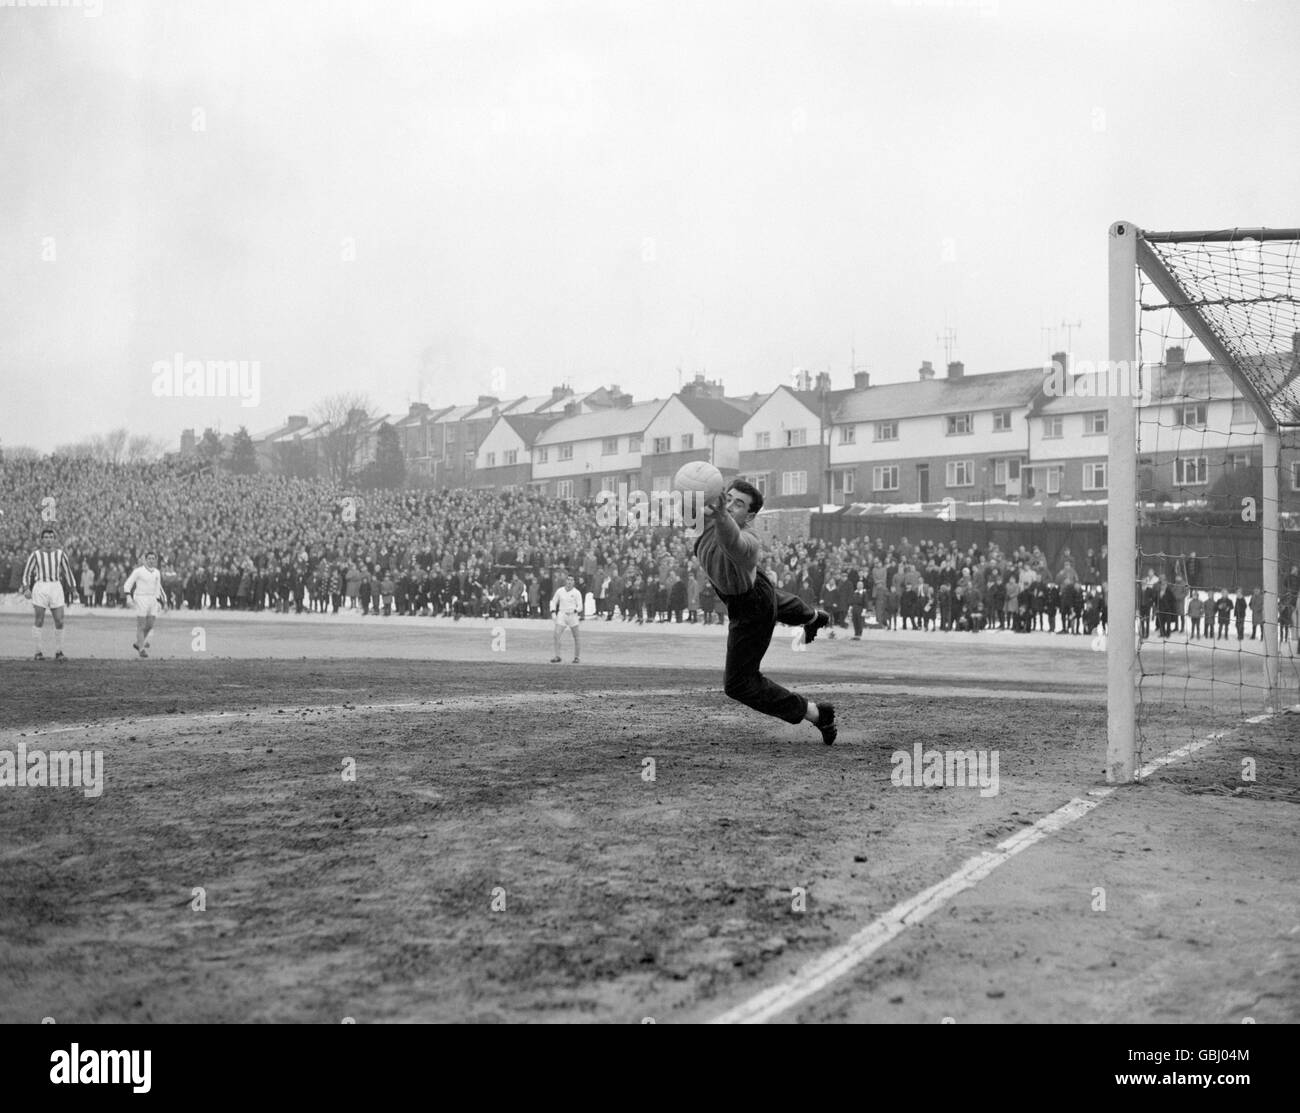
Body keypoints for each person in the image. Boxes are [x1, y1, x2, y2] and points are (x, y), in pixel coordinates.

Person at [694, 481, 838, 744]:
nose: (729, 505)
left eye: (738, 504)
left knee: (739, 684)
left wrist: (721, 514)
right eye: (729, 498)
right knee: (773, 598)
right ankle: (813, 617)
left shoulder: (748, 540)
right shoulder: (707, 517)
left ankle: (817, 713)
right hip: (751, 590)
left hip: (750, 606)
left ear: (749, 516)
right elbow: (684, 511)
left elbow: (732, 542)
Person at [22, 527, 77, 661]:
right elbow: (27, 573)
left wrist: (73, 589)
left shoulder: (60, 554)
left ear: (54, 539)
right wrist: (26, 588)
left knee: (59, 620)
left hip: (56, 587)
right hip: (40, 587)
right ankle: (38, 652)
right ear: (41, 540)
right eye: (46, 537)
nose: (48, 540)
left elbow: (67, 572)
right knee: (39, 620)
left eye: (51, 537)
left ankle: (59, 652)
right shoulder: (35, 555)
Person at [123, 549, 166, 658]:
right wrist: (128, 596)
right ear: (145, 560)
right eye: (149, 559)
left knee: (150, 625)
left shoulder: (157, 572)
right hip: (141, 598)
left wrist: (160, 602)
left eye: (153, 559)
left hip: (152, 600)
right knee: (141, 625)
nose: (151, 560)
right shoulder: (138, 571)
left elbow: (158, 588)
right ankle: (141, 649)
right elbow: (128, 583)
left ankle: (138, 643)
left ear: (156, 560)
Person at [550, 573, 583, 663]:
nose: (569, 582)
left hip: (572, 615)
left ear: (574, 582)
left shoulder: (577, 592)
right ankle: (557, 656)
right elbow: (553, 601)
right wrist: (553, 612)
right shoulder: (560, 591)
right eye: (568, 579)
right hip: (562, 614)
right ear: (566, 581)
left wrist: (575, 610)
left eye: (571, 580)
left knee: (576, 637)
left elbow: (580, 606)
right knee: (556, 634)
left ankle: (577, 657)